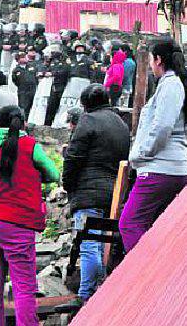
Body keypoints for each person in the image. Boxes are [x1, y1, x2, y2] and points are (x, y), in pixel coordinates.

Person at [0, 106, 60, 326]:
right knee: (23, 287)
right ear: (23, 124)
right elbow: (53, 174)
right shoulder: (30, 146)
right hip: (16, 224)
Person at [119, 40, 187, 252]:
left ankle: (140, 276)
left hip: (159, 169)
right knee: (158, 229)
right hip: (172, 168)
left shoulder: (171, 84)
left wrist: (142, 154)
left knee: (129, 224)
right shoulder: (182, 83)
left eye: (151, 61)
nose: (151, 67)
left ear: (158, 60)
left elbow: (162, 127)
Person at [59, 84, 130, 309]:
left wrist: (68, 185)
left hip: (88, 193)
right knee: (100, 243)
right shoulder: (120, 123)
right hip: (112, 193)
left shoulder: (87, 121)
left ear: (86, 105)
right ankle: (99, 291)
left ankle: (87, 295)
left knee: (90, 244)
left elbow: (74, 158)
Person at [12, 49, 43, 118]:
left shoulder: (32, 66)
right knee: (23, 108)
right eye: (22, 57)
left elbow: (36, 76)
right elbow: (15, 80)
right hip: (23, 91)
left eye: (24, 57)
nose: (24, 58)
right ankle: (23, 121)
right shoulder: (16, 70)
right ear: (18, 60)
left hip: (33, 89)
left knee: (33, 107)